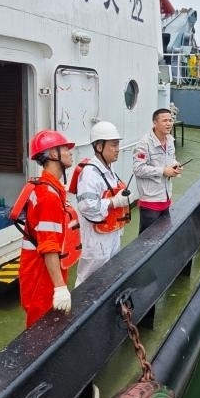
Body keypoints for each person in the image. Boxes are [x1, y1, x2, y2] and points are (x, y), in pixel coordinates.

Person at [16, 130, 79, 327]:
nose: (70, 152)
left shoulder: (48, 188)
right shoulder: (48, 196)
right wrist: (59, 287)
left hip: (42, 269)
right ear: (53, 154)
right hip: (41, 274)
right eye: (65, 148)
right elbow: (49, 245)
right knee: (41, 327)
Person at [70, 121, 130, 287]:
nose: (117, 149)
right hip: (96, 240)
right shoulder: (90, 174)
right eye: (113, 145)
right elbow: (87, 207)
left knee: (108, 276)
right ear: (99, 147)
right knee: (88, 280)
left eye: (118, 144)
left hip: (111, 233)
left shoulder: (108, 169)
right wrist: (114, 202)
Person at [133, 108, 183, 234]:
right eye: (165, 120)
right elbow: (138, 169)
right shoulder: (144, 144)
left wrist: (175, 166)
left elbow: (171, 159)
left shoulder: (170, 140)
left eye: (170, 120)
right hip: (150, 202)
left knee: (163, 235)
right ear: (155, 123)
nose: (169, 123)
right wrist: (163, 171)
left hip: (166, 199)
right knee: (147, 238)